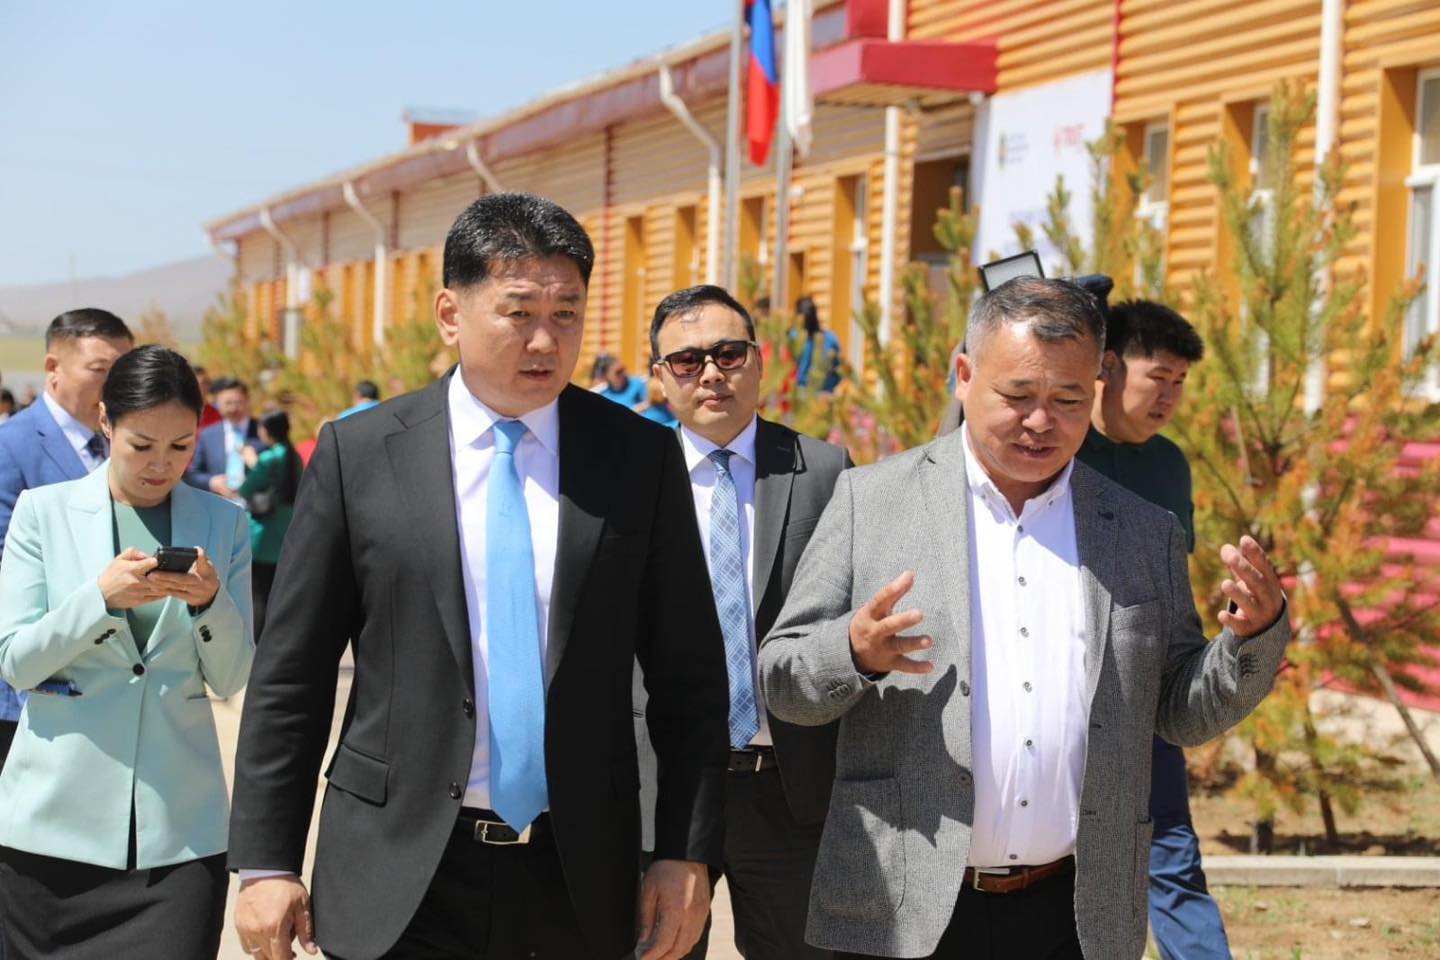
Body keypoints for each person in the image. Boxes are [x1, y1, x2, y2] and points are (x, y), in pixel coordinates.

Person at [229, 193, 729, 960]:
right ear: (449, 313)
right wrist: (266, 861)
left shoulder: (637, 458)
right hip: (401, 869)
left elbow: (691, 677)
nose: (544, 338)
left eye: (567, 313)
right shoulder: (360, 456)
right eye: (518, 310)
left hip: (577, 870)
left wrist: (684, 848)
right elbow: (291, 673)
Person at [758, 277, 1290, 960]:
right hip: (905, 905)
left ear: (1094, 390)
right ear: (964, 375)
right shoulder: (872, 501)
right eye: (1018, 397)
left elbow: (1178, 710)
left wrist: (1247, 642)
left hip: (1073, 914)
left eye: (1068, 401)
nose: (1042, 422)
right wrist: (853, 653)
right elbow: (782, 679)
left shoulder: (1138, 531)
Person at [0, 344, 254, 958]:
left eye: (182, 446)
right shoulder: (43, 513)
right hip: (48, 838)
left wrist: (208, 605)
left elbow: (232, 677)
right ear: (106, 423)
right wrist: (100, 600)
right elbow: (17, 661)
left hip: (179, 841)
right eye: (142, 445)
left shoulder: (225, 524)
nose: (160, 465)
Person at [640, 285, 849, 960]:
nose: (711, 372)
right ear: (657, 377)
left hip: (788, 788)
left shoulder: (824, 471)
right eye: (687, 359)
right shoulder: (629, 479)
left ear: (759, 362)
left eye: (729, 353)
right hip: (662, 787)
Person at [1076, 299, 1225, 959]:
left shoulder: (1171, 465)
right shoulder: (1053, 446)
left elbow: (1174, 583)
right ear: (1107, 367)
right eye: (1156, 376)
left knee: (1170, 856)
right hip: (1053, 693)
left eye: (1179, 383)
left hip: (1140, 696)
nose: (1168, 396)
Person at [0, 308, 134, 775]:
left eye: (126, 369)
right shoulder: (11, 446)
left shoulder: (135, 450)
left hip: (121, 689)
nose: (117, 383)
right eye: (101, 370)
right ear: (53, 369)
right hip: (35, 686)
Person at [237, 408, 303, 641]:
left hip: (263, 534)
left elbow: (246, 489)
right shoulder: (293, 454)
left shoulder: (269, 458)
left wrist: (251, 462)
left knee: (258, 593)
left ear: (266, 430)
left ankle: (257, 643)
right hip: (284, 530)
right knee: (277, 591)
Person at [184, 377, 264, 500]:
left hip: (257, 508)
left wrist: (257, 465)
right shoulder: (208, 435)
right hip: (219, 504)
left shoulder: (263, 433)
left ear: (247, 401)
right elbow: (193, 474)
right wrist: (212, 482)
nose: (233, 408)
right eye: (228, 403)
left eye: (238, 402)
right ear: (217, 404)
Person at [791, 297, 842, 394]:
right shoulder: (794, 338)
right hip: (809, 392)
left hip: (812, 393)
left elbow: (839, 370)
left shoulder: (794, 337)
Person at [192, 365, 223, 430]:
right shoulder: (180, 414)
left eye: (205, 383)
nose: (202, 387)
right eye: (197, 384)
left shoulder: (219, 413)